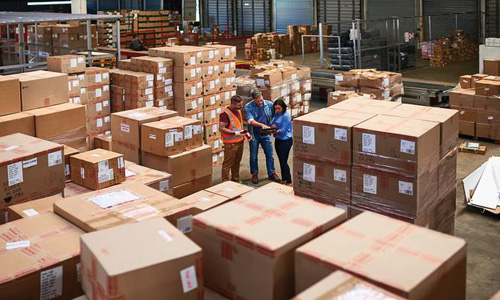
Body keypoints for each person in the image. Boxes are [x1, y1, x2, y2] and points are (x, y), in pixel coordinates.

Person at [245, 91, 281, 184]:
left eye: (261, 100)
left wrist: (274, 125)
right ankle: (254, 173)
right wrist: (261, 125)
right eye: (257, 101)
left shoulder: (269, 104)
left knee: (269, 154)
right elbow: (250, 120)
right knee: (253, 155)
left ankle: (271, 172)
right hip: (254, 133)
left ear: (262, 96)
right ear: (253, 100)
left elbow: (275, 116)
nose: (260, 103)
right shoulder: (248, 106)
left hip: (266, 133)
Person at [219, 95, 245, 182]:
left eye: (241, 104)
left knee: (237, 162)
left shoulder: (238, 110)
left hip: (240, 141)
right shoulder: (225, 114)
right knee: (227, 164)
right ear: (233, 104)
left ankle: (235, 179)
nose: (241, 106)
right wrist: (234, 132)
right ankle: (225, 182)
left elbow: (238, 125)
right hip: (231, 144)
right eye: (239, 105)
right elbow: (222, 128)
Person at [271, 99, 293, 185]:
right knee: (281, 160)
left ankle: (288, 180)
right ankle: (284, 178)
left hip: (285, 141)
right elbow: (273, 122)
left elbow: (283, 130)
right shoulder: (277, 114)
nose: (277, 110)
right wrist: (272, 127)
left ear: (283, 107)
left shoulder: (286, 116)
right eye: (275, 108)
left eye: (279, 108)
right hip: (278, 139)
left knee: (284, 161)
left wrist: (274, 131)